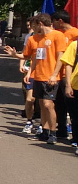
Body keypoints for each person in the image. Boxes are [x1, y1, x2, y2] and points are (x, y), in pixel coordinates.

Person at [21, 14, 67, 144]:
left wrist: (54, 74)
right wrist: (30, 72)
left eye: (34, 25)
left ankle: (53, 132)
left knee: (48, 104)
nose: (33, 28)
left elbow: (61, 57)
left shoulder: (57, 35)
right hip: (38, 76)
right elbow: (36, 58)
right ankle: (45, 131)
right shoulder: (38, 38)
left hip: (50, 76)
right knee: (41, 104)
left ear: (40, 24)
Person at [49, 10, 78, 141]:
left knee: (71, 105)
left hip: (70, 75)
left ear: (60, 21)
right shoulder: (59, 34)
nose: (53, 25)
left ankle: (74, 133)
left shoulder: (75, 34)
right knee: (59, 103)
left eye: (54, 22)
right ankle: (62, 129)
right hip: (59, 74)